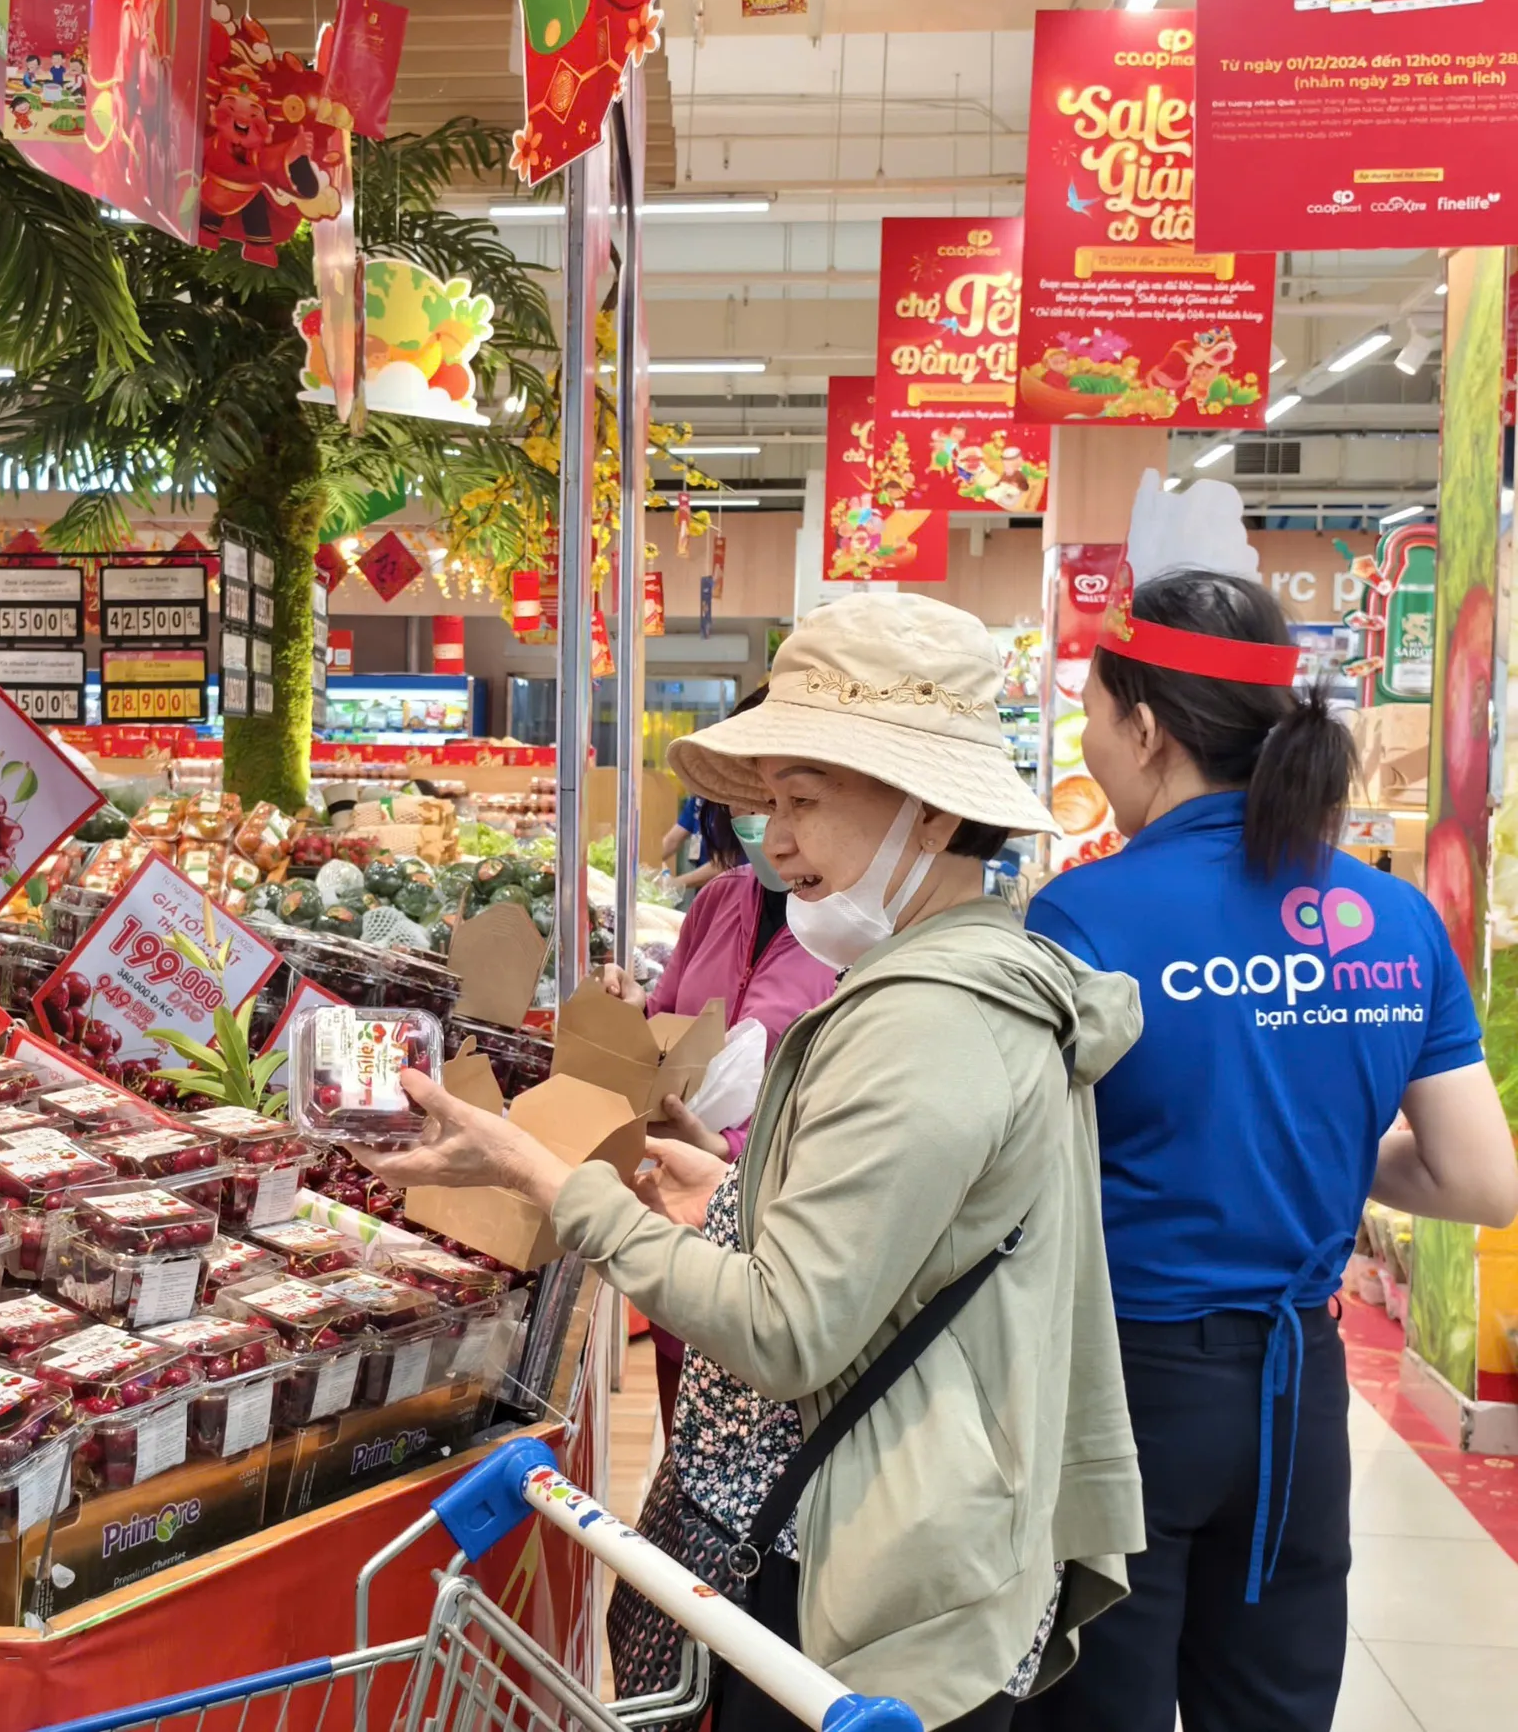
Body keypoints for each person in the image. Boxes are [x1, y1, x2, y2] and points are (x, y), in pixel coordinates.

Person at [358, 595, 1147, 1732]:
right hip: (887, 1534)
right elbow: (901, 1252)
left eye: (802, 802)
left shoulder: (925, 1019)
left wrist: (546, 1177)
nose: (771, 843)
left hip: (858, 1585)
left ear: (925, 816)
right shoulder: (957, 979)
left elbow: (787, 1331)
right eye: (768, 802)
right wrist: (729, 1199)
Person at [1013, 571, 1518, 1732]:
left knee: (1094, 1706)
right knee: (1272, 1710)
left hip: (1118, 1390)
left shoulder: (1082, 919)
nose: (1089, 740)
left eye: (1091, 713)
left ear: (1143, 727)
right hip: (1299, 1397)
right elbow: (1478, 1179)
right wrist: (1326, 1151)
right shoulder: (1389, 920)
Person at [600, 692, 839, 1436]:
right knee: (687, 1460)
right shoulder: (720, 900)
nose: (767, 821)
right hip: (685, 1239)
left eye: (789, 797)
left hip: (784, 1255)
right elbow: (665, 1021)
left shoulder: (857, 939)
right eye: (752, 797)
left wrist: (731, 1151)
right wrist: (626, 1013)